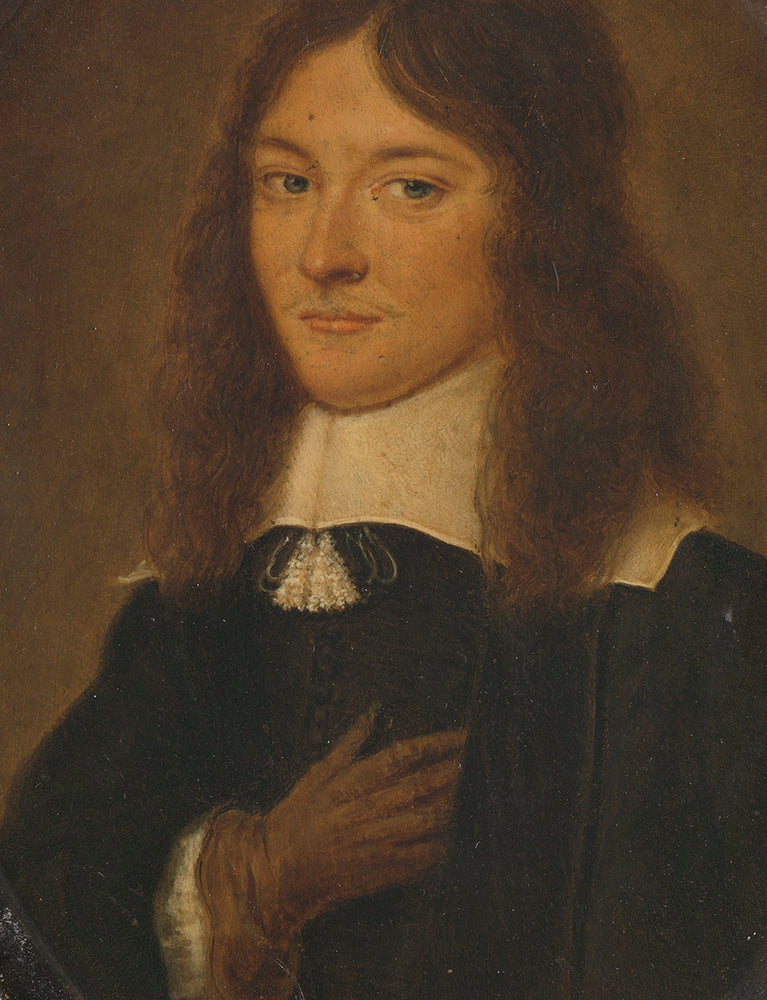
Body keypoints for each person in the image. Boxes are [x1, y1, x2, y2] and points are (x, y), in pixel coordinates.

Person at [2, 0, 766, 997]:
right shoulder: (195, 598)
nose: (324, 255)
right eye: (287, 182)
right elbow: (42, 909)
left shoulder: (680, 608)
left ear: (543, 220)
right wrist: (250, 880)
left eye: (409, 187)